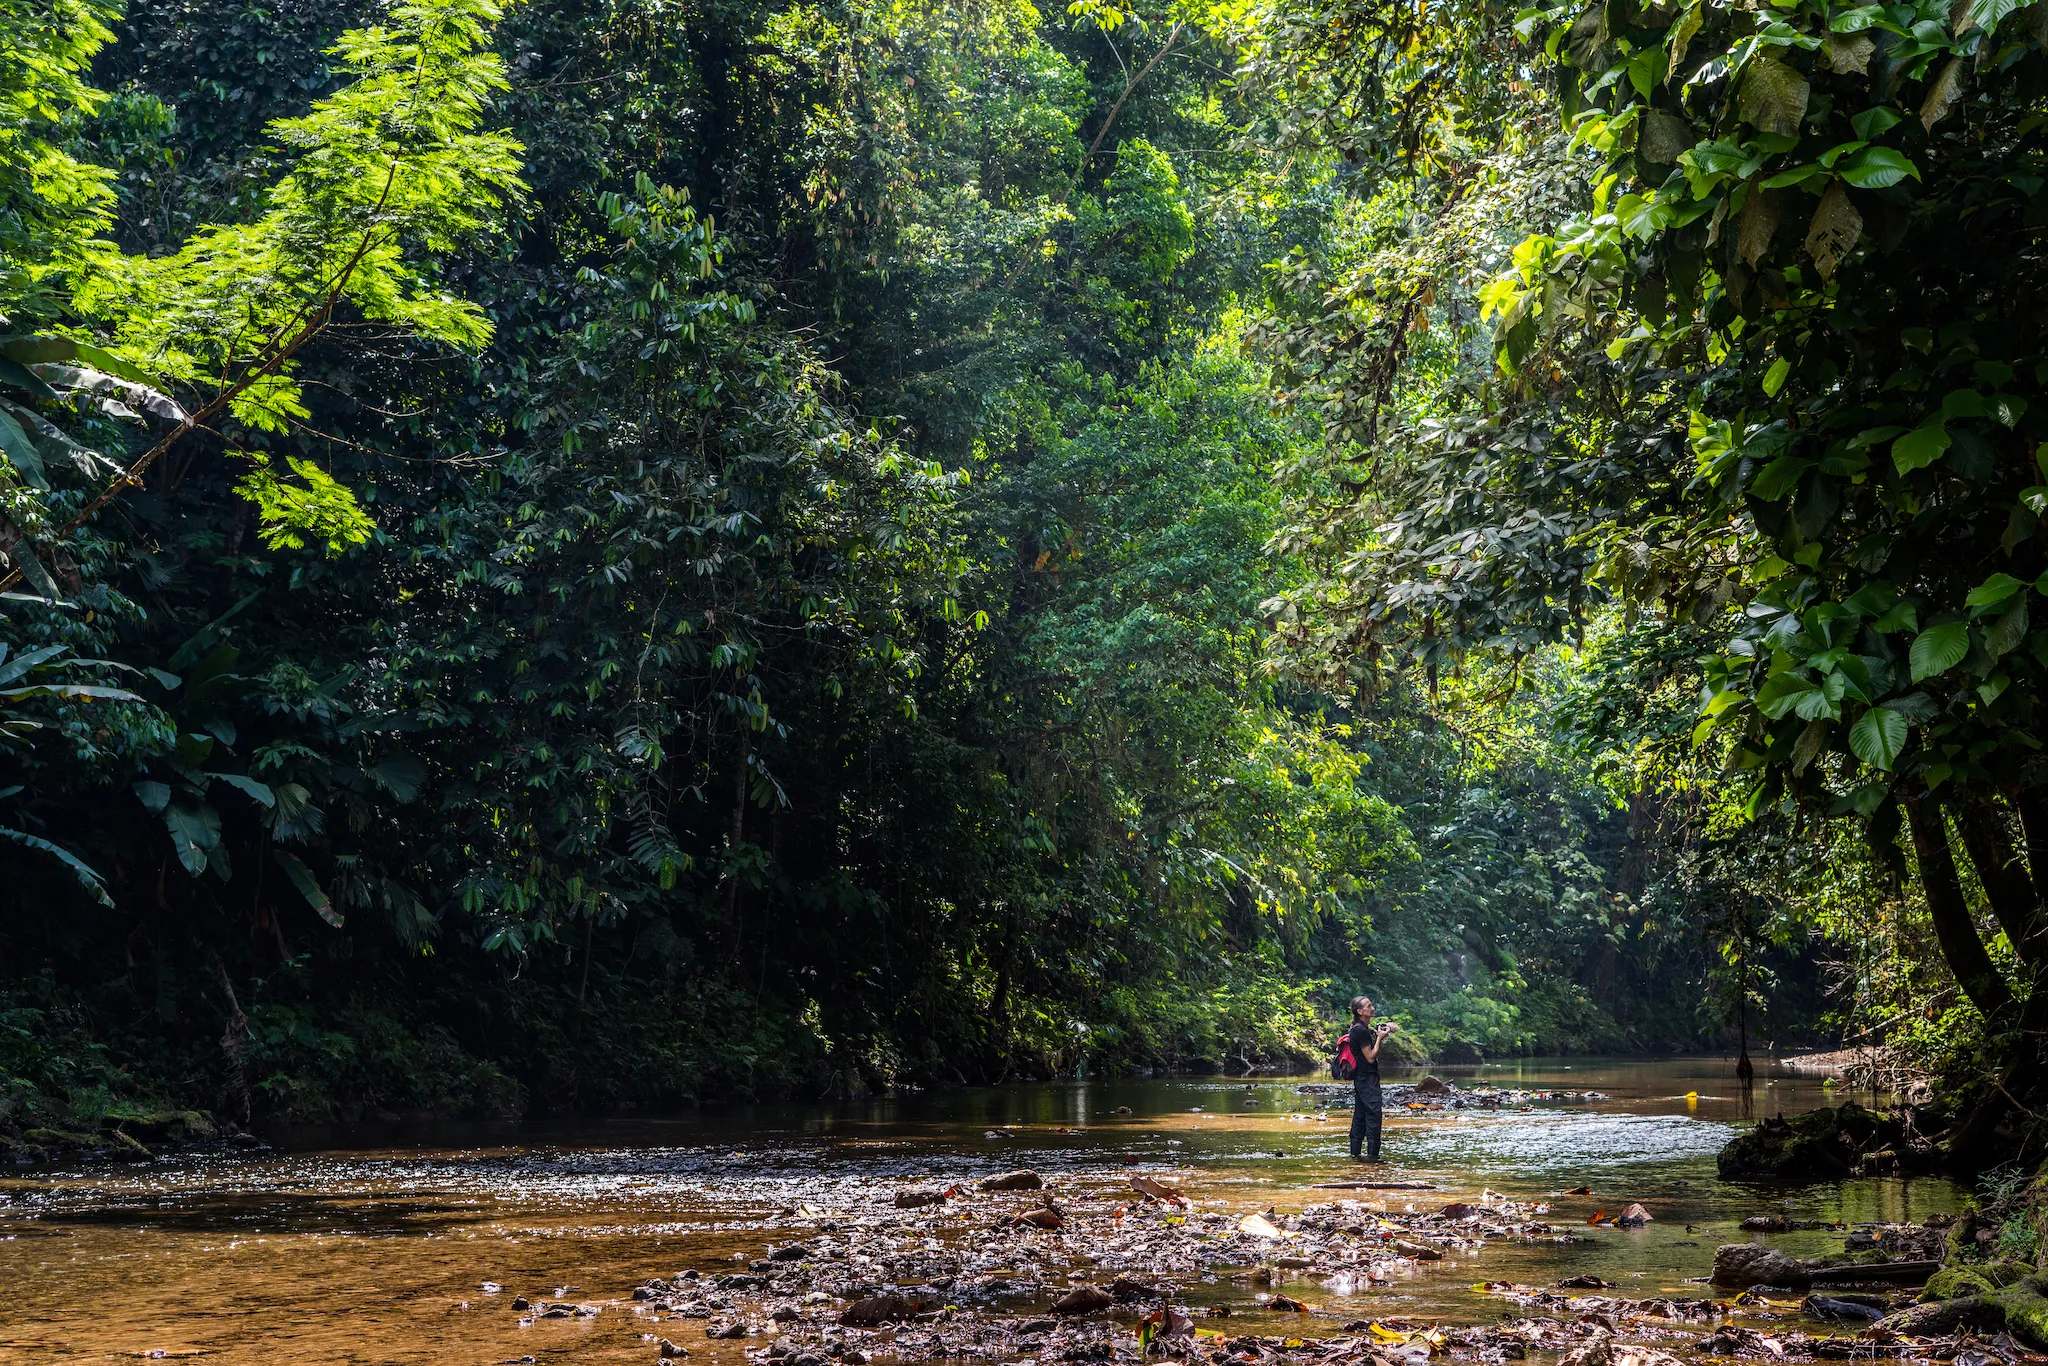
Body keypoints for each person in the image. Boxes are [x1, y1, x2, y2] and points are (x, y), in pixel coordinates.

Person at [1345, 995, 1397, 1162]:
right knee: (1373, 1116)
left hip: (1361, 1078)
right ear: (1360, 1011)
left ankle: (1355, 1156)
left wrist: (1381, 1032)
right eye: (1369, 1006)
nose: (1372, 1008)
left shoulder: (1357, 1028)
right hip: (1368, 1079)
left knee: (1360, 1116)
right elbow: (1370, 1057)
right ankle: (1373, 1159)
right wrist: (1380, 1039)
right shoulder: (1361, 1030)